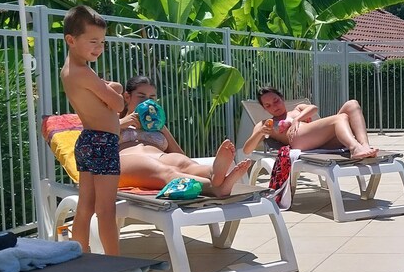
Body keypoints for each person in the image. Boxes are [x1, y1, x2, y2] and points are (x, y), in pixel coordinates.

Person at [118, 75, 253, 195]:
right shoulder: (113, 119)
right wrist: (121, 123)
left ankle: (212, 173)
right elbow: (98, 141)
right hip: (125, 160)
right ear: (127, 97)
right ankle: (214, 187)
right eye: (141, 96)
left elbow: (180, 154)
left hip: (159, 156)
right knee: (167, 172)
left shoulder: (157, 125)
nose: (146, 102)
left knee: (184, 163)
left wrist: (162, 128)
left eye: (152, 98)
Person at [60, 5, 123, 256]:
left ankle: (81, 256)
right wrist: (113, 94)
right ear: (71, 40)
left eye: (103, 42)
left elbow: (110, 91)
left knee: (85, 206)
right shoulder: (85, 72)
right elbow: (118, 104)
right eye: (93, 41)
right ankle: (116, 263)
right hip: (103, 142)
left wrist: (110, 90)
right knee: (106, 209)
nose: (99, 47)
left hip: (87, 141)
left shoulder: (69, 71)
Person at [242, 86, 378, 160]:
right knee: (340, 118)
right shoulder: (266, 123)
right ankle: (355, 148)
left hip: (322, 141)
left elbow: (313, 108)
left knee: (352, 104)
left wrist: (297, 119)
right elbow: (247, 150)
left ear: (282, 98)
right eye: (268, 105)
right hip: (300, 141)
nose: (274, 106)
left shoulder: (298, 109)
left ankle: (364, 145)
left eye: (276, 100)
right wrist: (260, 132)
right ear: (265, 108)